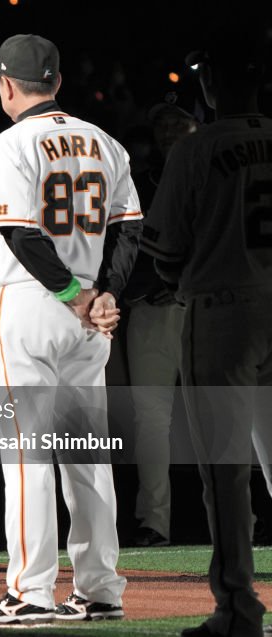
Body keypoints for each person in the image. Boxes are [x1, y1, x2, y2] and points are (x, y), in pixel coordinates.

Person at [0, 34, 142, 624]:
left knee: (26, 455)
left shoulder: (12, 142)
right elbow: (129, 231)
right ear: (58, 83)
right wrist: (106, 297)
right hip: (91, 311)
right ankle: (100, 588)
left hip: (34, 300)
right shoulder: (107, 143)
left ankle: (31, 590)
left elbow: (21, 235)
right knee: (87, 455)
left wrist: (75, 296)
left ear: (7, 86)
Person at [142, 27, 272, 637]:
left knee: (226, 470)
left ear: (211, 83)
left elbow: (164, 250)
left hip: (223, 310)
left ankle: (239, 610)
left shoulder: (196, 148)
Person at [122, 97, 199, 548]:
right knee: (151, 418)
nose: (170, 131)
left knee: (223, 413)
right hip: (152, 308)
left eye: (179, 122)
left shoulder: (216, 175)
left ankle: (243, 520)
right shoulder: (140, 183)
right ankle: (154, 521)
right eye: (163, 124)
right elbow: (125, 245)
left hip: (205, 308)